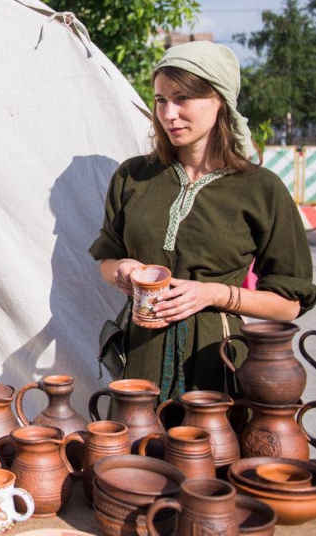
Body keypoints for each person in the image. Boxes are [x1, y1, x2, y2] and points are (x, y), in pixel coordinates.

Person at [89, 41, 316, 400]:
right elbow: (107, 260)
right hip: (139, 360)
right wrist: (121, 269)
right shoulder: (133, 176)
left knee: (214, 455)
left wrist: (212, 293)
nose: (169, 114)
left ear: (219, 101)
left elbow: (289, 303)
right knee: (136, 453)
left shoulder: (260, 189)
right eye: (161, 100)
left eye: (182, 99)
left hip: (218, 364)